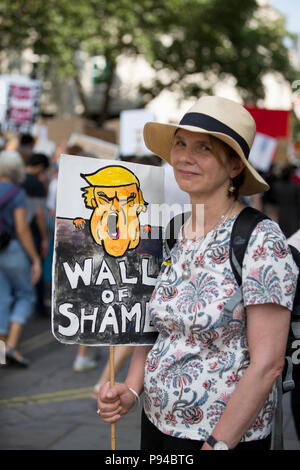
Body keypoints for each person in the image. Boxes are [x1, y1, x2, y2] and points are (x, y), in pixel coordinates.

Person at [97, 95, 298, 451]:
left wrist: (218, 444)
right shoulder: (172, 231)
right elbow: (154, 329)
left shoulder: (260, 239)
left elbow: (268, 365)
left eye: (203, 148)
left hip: (223, 438)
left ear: (235, 165)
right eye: (180, 144)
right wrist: (130, 389)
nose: (185, 157)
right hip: (157, 424)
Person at [0, 150, 41, 367]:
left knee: (2, 299)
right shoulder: (16, 192)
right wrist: (34, 258)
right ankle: (11, 348)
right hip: (12, 250)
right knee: (26, 295)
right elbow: (22, 228)